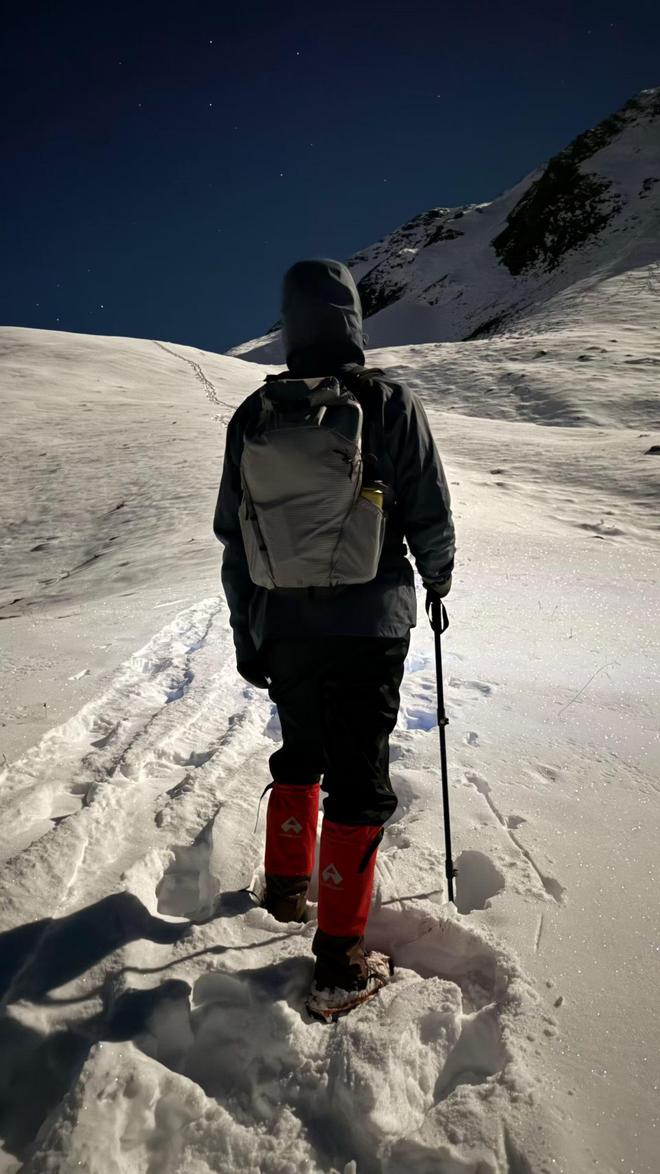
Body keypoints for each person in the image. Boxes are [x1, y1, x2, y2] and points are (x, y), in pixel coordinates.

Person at [214, 258, 454, 1017]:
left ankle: (287, 889)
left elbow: (234, 537)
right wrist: (438, 579)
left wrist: (249, 632)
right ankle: (341, 962)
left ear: (290, 325)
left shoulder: (255, 414)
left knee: (300, 753)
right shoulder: (387, 402)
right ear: (352, 319)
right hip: (368, 621)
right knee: (359, 778)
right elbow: (428, 506)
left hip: (285, 623)